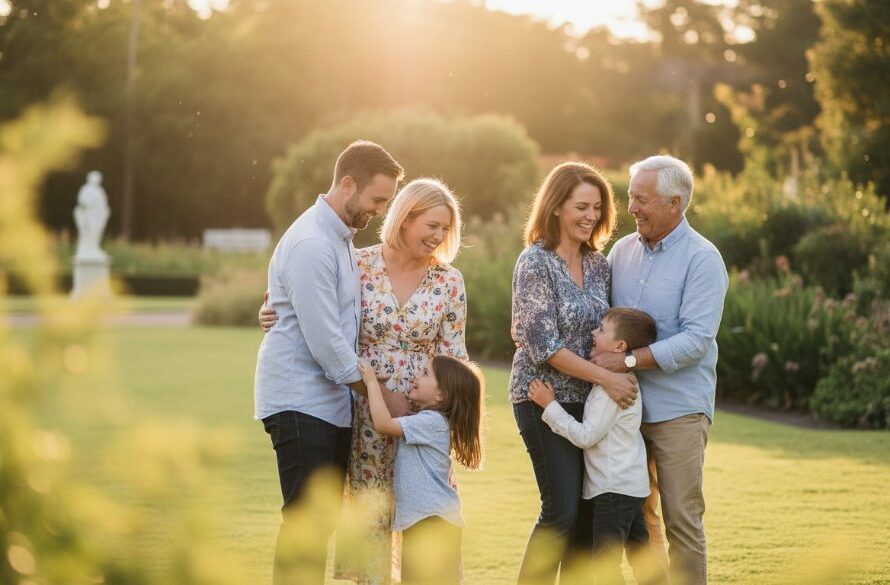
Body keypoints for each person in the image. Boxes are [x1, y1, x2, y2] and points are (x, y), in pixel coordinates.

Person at [259, 178, 468, 584]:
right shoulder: (358, 264)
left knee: (425, 513)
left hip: (421, 416)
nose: (439, 236)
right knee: (370, 510)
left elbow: (454, 358)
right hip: (364, 406)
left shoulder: (449, 281)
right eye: (432, 225)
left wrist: (441, 419)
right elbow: (308, 301)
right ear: (405, 219)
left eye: (446, 229)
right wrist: (270, 310)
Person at [253, 140, 405, 585]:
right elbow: (328, 346)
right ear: (348, 184)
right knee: (306, 526)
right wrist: (382, 397)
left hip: (327, 405)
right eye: (377, 200)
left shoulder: (337, 240)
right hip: (301, 402)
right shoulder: (313, 244)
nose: (380, 211)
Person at [593, 155, 728, 585]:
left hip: (678, 409)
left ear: (675, 203)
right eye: (631, 196)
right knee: (638, 516)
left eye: (642, 199)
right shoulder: (621, 252)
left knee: (681, 518)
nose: (631, 207)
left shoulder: (703, 259)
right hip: (623, 410)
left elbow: (696, 340)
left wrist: (628, 361)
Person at [508, 162, 639, 585]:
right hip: (541, 397)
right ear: (556, 206)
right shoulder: (535, 262)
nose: (591, 216)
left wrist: (618, 370)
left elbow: (613, 331)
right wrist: (608, 378)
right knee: (560, 512)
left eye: (597, 208)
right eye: (581, 206)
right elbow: (543, 346)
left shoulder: (599, 265)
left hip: (589, 404)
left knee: (586, 517)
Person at [528, 307, 659, 585]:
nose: (593, 332)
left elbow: (587, 436)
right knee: (642, 559)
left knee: (604, 566)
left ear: (619, 346)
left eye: (600, 329)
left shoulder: (612, 391)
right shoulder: (623, 382)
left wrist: (550, 407)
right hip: (631, 487)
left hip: (614, 490)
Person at [358, 355, 483, 585]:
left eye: (425, 373)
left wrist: (371, 383)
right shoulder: (430, 421)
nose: (416, 376)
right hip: (429, 522)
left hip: (431, 523)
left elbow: (383, 423)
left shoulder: (432, 422)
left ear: (441, 395)